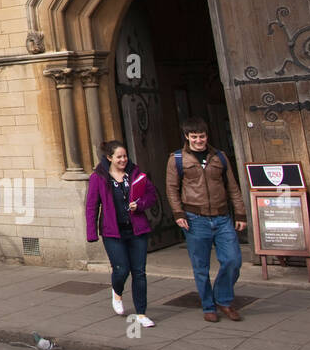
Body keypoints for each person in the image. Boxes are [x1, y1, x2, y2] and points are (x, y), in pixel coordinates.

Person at [165, 117, 247, 322]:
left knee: (233, 260)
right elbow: (172, 189)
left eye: (202, 136)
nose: (199, 140)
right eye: (194, 137)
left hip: (222, 217)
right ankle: (208, 306)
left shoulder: (219, 157)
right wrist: (178, 214)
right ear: (187, 137)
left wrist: (240, 213)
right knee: (201, 267)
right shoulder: (177, 159)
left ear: (206, 136)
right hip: (195, 218)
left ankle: (223, 299)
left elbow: (233, 187)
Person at [86, 140, 157, 328]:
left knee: (139, 272)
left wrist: (139, 204)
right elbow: (92, 206)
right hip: (113, 232)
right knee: (121, 269)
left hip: (137, 230)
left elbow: (152, 195)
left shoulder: (135, 174)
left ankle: (141, 314)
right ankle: (117, 291)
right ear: (109, 158)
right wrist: (91, 232)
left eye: (125, 156)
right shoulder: (98, 178)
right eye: (119, 157)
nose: (123, 160)